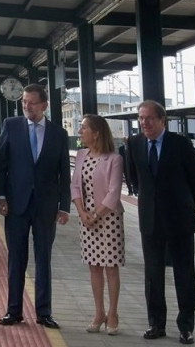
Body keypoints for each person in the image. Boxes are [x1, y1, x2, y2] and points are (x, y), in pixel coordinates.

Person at [127, 100, 195, 345]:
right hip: (149, 221)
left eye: (150, 118)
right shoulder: (134, 144)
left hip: (179, 220)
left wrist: (185, 205)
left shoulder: (180, 144)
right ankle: (156, 324)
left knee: (184, 273)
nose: (144, 123)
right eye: (141, 118)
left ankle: (186, 327)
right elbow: (133, 178)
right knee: (153, 274)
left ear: (163, 120)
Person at [0, 83, 70, 329]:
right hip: (16, 204)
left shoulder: (58, 134)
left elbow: (63, 174)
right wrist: (1, 196)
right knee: (16, 258)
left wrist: (64, 206)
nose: (26, 106)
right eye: (24, 102)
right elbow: (0, 165)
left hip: (46, 206)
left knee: (44, 259)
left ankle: (44, 312)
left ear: (44, 105)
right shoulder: (11, 125)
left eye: (32, 102)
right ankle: (13, 311)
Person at [70, 114, 125, 336]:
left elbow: (114, 192)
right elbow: (75, 186)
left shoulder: (114, 159)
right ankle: (98, 312)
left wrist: (95, 214)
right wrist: (82, 213)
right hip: (87, 219)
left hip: (108, 219)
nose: (80, 132)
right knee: (94, 267)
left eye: (83, 128)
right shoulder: (82, 155)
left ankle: (113, 313)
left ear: (96, 133)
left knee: (110, 268)